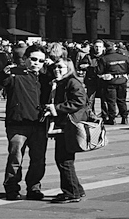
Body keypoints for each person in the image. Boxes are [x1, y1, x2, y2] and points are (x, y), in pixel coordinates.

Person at [3, 44, 50, 200]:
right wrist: (7, 71)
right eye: (33, 59)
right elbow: (1, 79)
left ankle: (34, 187)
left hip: (39, 124)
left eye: (41, 60)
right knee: (15, 157)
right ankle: (12, 187)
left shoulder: (46, 77)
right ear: (25, 59)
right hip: (18, 123)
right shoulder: (16, 74)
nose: (37, 63)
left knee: (38, 159)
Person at [45, 55, 87, 203]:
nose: (57, 70)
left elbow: (79, 101)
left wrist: (56, 108)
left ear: (68, 69)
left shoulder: (72, 82)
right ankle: (76, 189)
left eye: (60, 67)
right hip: (63, 125)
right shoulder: (62, 82)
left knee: (64, 160)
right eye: (55, 67)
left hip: (69, 126)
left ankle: (72, 192)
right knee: (64, 159)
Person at [96, 41, 129, 125]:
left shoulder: (104, 59)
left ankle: (112, 118)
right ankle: (124, 117)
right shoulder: (124, 57)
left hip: (110, 81)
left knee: (111, 101)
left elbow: (99, 71)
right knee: (122, 100)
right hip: (122, 80)